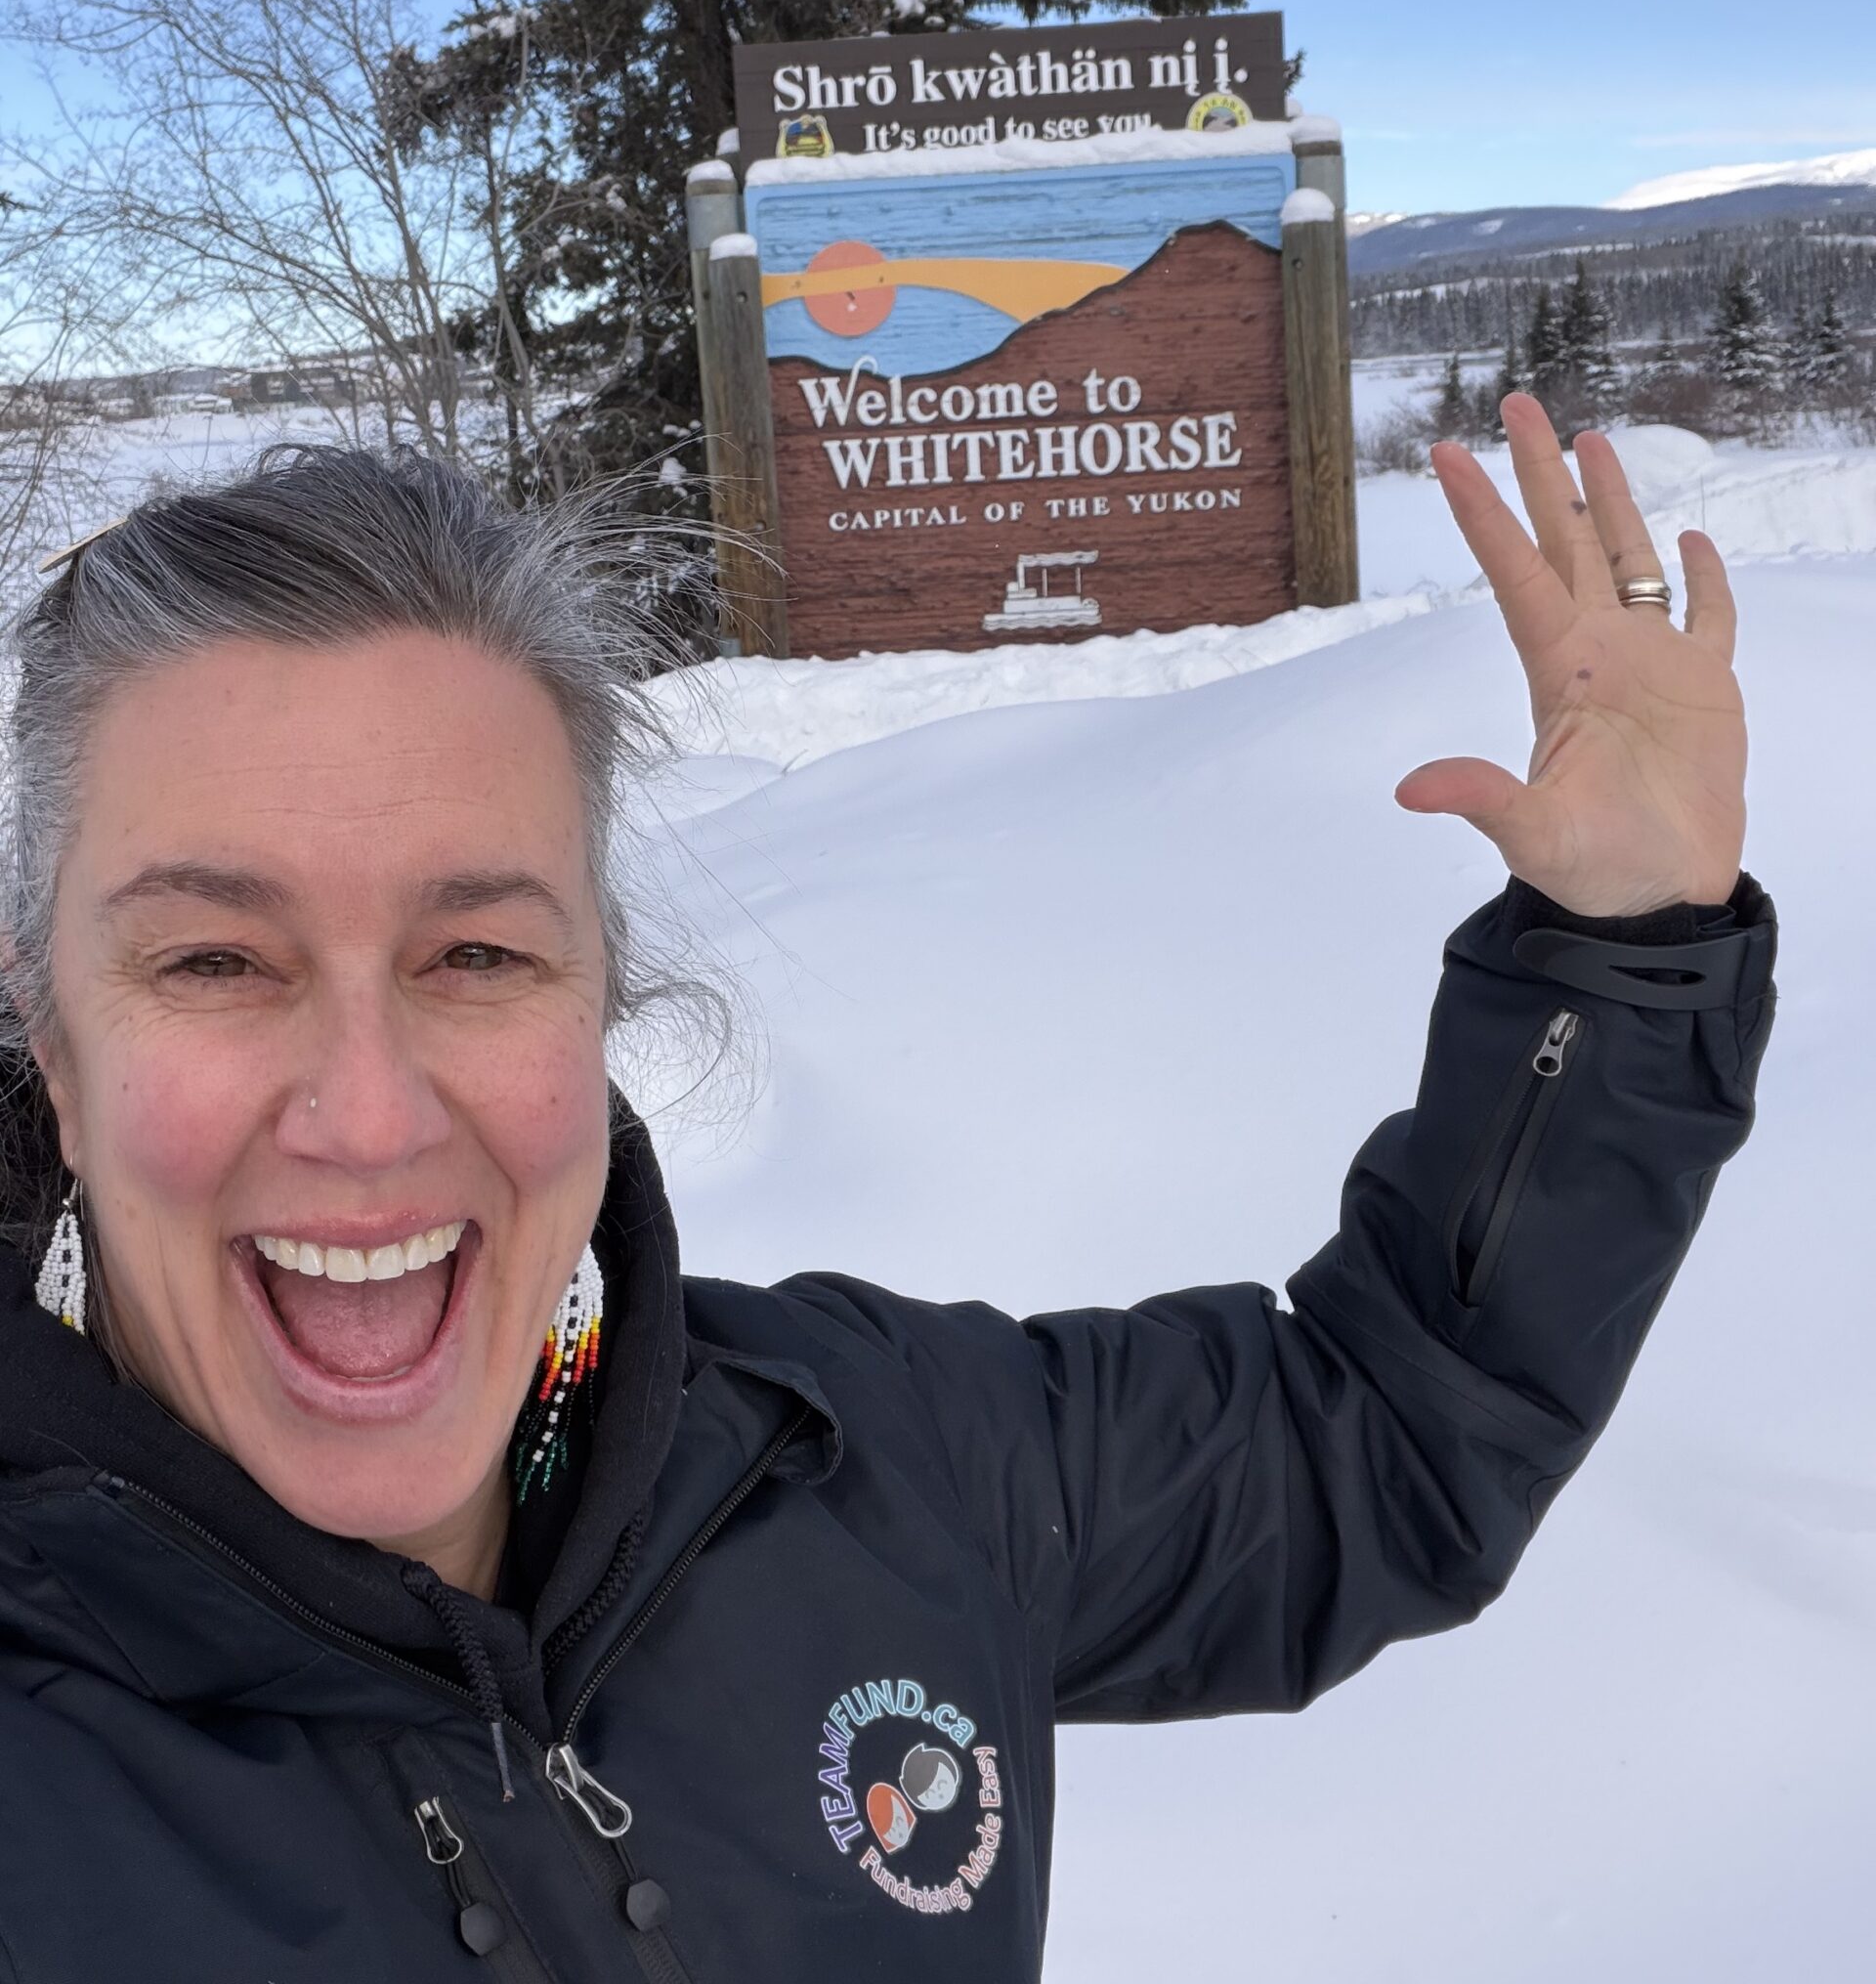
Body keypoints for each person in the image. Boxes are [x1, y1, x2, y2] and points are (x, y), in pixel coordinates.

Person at [0, 399, 1774, 1981]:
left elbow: (1383, 1441)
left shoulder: (862, 1457)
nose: (370, 1117)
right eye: (215, 963)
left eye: (476, 953)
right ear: (51, 1041)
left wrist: (1624, 959)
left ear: (600, 994)